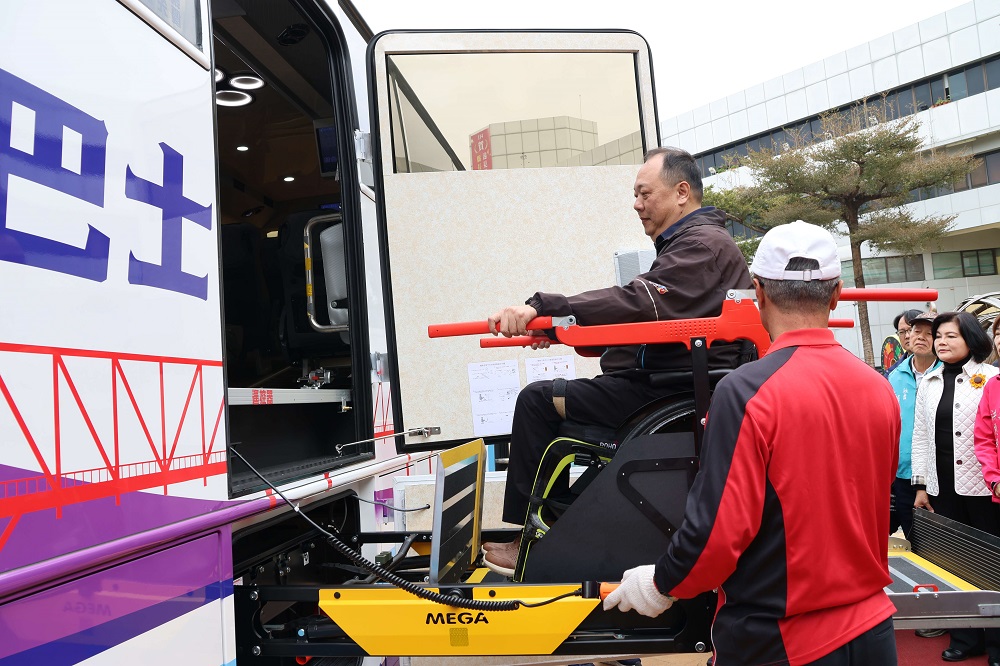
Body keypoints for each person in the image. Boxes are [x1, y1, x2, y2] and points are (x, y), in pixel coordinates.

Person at [603, 221, 900, 666]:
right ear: (837, 294)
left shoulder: (746, 390)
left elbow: (718, 532)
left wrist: (661, 583)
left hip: (784, 639)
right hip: (873, 630)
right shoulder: (878, 387)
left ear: (757, 291)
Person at [481, 147, 753, 575]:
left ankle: (531, 538)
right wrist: (558, 329)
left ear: (682, 192)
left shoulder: (701, 246)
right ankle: (552, 527)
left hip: (669, 392)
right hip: (667, 382)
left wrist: (546, 308)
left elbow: (639, 302)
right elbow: (647, 317)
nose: (637, 204)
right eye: (635, 195)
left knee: (536, 401)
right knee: (549, 400)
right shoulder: (696, 244)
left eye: (645, 193)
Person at [911, 311, 1000, 664]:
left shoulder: (990, 377)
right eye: (939, 336)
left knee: (992, 565)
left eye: (951, 336)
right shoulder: (929, 382)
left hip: (985, 488)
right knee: (955, 564)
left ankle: (997, 642)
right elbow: (920, 437)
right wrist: (921, 486)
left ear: (971, 340)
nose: (941, 342)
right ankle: (965, 638)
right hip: (941, 487)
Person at [887, 310, 940, 540]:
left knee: (940, 541)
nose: (919, 337)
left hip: (939, 475)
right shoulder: (894, 376)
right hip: (902, 474)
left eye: (929, 333)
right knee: (911, 536)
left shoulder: (948, 373)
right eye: (915, 331)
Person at [883, 309, 923, 377]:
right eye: (901, 332)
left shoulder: (941, 365)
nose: (907, 336)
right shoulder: (892, 374)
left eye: (911, 330)